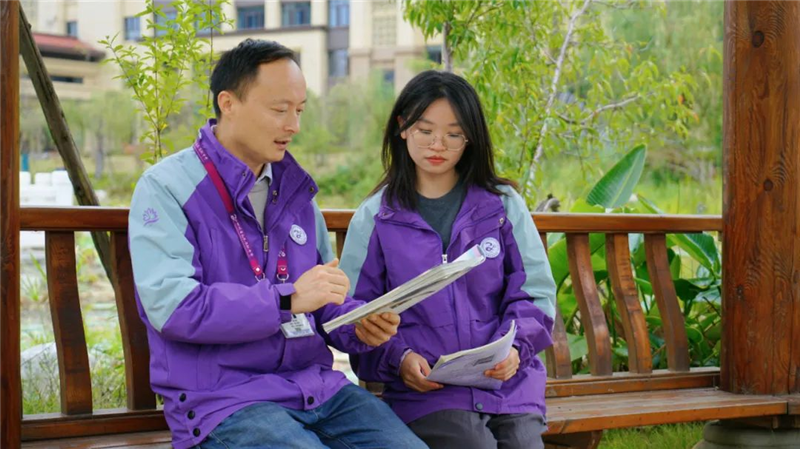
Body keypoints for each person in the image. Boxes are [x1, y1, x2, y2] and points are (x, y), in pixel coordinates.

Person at [128, 39, 427, 449]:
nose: (294, 126)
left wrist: (359, 324)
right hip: (225, 401)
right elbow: (175, 307)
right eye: (279, 109)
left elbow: (322, 299)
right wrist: (286, 300)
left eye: (299, 110)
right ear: (228, 103)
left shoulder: (295, 192)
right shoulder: (167, 188)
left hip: (317, 389)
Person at [340, 70, 557, 449]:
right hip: (427, 390)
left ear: (470, 138)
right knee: (472, 443)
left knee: (523, 443)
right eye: (425, 130)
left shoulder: (503, 206)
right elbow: (354, 313)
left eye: (454, 134)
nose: (437, 144)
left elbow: (534, 294)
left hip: (508, 381)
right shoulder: (376, 217)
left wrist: (515, 350)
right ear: (402, 127)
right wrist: (399, 359)